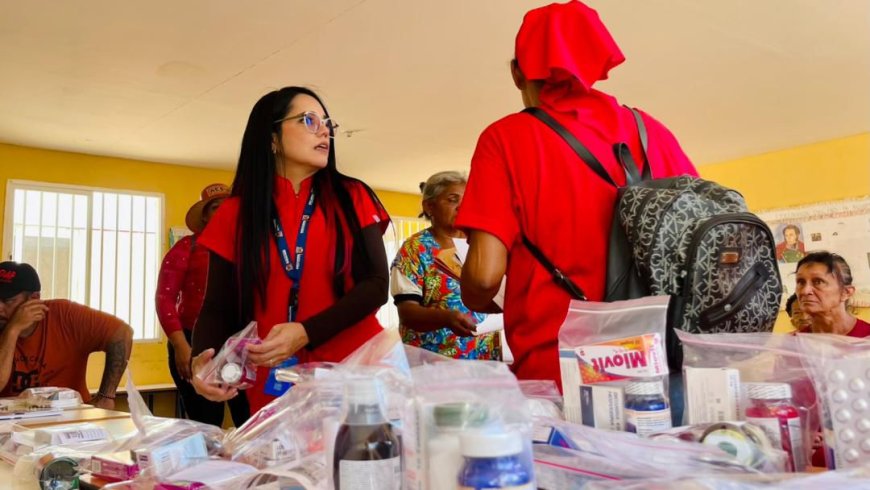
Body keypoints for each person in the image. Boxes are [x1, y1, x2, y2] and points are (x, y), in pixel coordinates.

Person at [455, 1, 699, 389]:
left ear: (518, 74)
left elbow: (484, 278)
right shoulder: (652, 131)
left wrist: (473, 295)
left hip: (561, 371)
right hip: (662, 361)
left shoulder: (505, 139)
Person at [190, 86, 391, 414]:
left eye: (327, 122)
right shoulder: (235, 213)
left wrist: (305, 333)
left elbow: (376, 285)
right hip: (274, 377)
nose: (324, 129)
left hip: (358, 370)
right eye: (308, 120)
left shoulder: (352, 196)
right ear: (271, 138)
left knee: (360, 463)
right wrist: (203, 361)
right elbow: (216, 306)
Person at [156, 183, 249, 426]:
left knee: (251, 423)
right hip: (194, 344)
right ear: (205, 215)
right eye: (216, 207)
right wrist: (181, 346)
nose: (223, 212)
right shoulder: (187, 247)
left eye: (229, 207)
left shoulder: (249, 250)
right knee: (205, 427)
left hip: (244, 346)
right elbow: (164, 299)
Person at [390, 171, 500, 360]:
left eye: (467, 200)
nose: (462, 207)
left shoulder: (482, 244)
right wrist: (446, 318)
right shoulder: (416, 248)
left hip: (484, 361)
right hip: (433, 363)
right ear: (429, 206)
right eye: (452, 200)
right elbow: (407, 312)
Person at [0, 262, 132, 409]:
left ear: (34, 299)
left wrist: (106, 396)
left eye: (7, 301)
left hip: (70, 417)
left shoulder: (65, 316)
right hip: (10, 420)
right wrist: (12, 330)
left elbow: (122, 333)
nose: (0, 308)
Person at [794, 251, 868, 337]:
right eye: (800, 282)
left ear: (846, 292)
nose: (805, 291)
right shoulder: (793, 345)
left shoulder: (866, 340)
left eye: (818, 282)